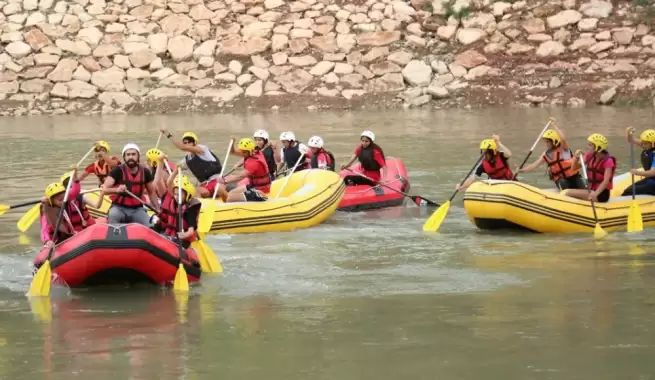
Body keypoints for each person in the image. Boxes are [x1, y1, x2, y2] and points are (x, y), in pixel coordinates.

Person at [100, 143, 160, 225]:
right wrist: (116, 190)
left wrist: (157, 209)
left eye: (133, 154)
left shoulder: (145, 172)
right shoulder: (117, 171)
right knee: (113, 217)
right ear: (124, 157)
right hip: (118, 208)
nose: (131, 157)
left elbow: (151, 192)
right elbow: (104, 189)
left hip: (137, 209)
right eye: (128, 155)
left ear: (138, 156)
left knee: (149, 226)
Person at [516, 125, 585, 190]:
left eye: (548, 142)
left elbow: (563, 138)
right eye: (545, 142)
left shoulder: (563, 149)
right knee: (563, 183)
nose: (546, 144)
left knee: (581, 186)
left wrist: (553, 125)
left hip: (574, 177)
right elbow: (534, 166)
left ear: (554, 141)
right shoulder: (545, 155)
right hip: (561, 180)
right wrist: (522, 170)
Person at [160, 128, 223, 198]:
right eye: (185, 143)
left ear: (194, 143)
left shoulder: (202, 149)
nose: (187, 144)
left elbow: (181, 147)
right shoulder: (187, 160)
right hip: (204, 185)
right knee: (190, 190)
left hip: (216, 181)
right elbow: (175, 169)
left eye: (189, 142)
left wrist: (168, 134)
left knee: (195, 191)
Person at [40, 175, 94, 249]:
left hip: (73, 235)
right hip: (60, 239)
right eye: (60, 200)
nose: (63, 201)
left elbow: (75, 191)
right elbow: (45, 229)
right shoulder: (48, 212)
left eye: (64, 198)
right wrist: (47, 240)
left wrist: (76, 181)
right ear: (51, 201)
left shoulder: (67, 200)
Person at [152, 170, 201, 249]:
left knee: (168, 240)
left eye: (179, 195)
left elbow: (191, 231)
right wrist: (176, 171)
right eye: (175, 194)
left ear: (187, 195)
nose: (176, 197)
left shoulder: (191, 208)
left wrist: (184, 235)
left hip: (181, 239)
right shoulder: (174, 200)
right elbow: (169, 183)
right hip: (169, 233)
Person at [215, 138, 271, 203]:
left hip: (260, 190)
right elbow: (232, 152)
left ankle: (259, 197)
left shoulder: (254, 162)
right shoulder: (252, 152)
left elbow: (241, 176)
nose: (241, 153)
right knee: (230, 193)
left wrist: (225, 180)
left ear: (250, 151)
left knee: (229, 198)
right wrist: (232, 143)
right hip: (253, 186)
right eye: (241, 151)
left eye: (243, 152)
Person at [564, 133, 615, 203]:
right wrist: (576, 157)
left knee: (567, 193)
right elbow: (573, 168)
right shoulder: (589, 156)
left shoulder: (608, 161)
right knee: (566, 191)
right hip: (591, 190)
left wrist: (595, 193)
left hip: (601, 194)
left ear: (598, 147)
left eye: (590, 145)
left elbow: (606, 181)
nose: (588, 147)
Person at [622, 127, 655, 196]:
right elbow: (631, 140)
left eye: (645, 143)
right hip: (650, 179)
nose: (643, 145)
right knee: (628, 190)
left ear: (653, 143)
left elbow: (652, 173)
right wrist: (629, 133)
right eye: (642, 142)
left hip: (653, 182)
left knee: (629, 192)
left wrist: (637, 172)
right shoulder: (647, 146)